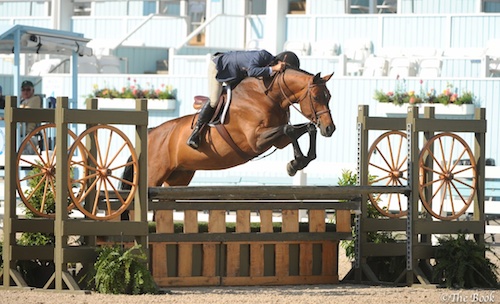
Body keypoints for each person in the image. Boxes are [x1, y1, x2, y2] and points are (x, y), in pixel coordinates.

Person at [187, 50, 301, 150]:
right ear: (280, 62)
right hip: (219, 67)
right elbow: (252, 71)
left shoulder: (267, 66)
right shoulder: (263, 55)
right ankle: (196, 132)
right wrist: (274, 69)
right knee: (214, 101)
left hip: (236, 73)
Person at [19, 80, 42, 154]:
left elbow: (26, 113)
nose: (25, 92)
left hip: (30, 134)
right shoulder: (23, 101)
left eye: (28, 89)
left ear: (33, 90)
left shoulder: (35, 99)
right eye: (23, 90)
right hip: (21, 133)